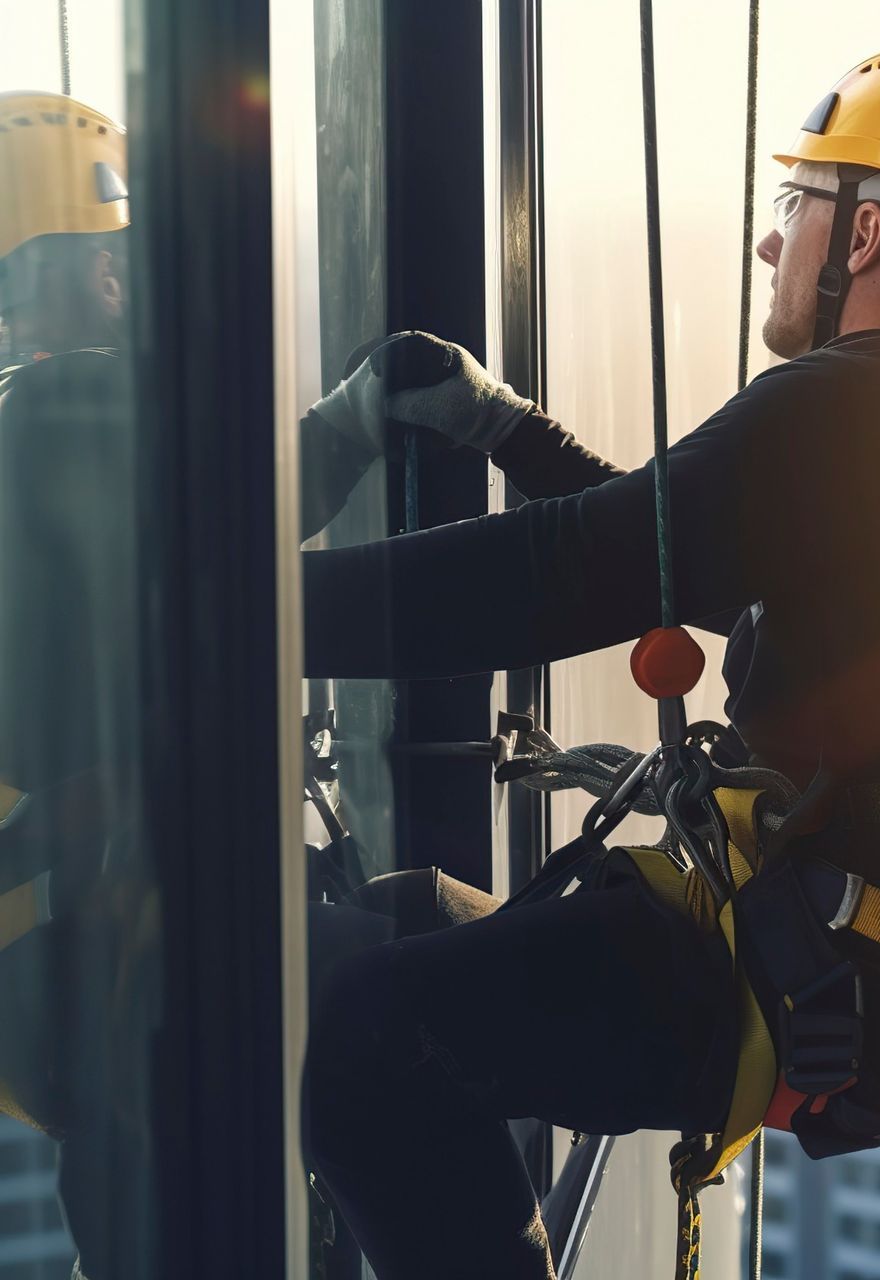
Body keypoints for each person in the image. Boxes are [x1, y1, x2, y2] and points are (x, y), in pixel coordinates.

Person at [297, 43, 880, 1279]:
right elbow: (686, 551)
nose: (772, 244)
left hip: (807, 967)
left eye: (793, 207)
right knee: (401, 917)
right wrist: (505, 431)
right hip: (879, 962)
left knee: (363, 1032)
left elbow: (566, 575)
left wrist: (244, 613)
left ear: (863, 234)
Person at [0, 90, 498, 1278]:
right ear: (56, 276)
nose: (133, 278)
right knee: (408, 987)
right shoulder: (69, 408)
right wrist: (367, 409)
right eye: (107, 255)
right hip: (114, 956)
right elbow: (241, 506)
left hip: (60, 968)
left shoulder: (24, 425)